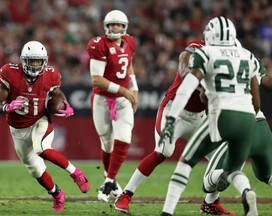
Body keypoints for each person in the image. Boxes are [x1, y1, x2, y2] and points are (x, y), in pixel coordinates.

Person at [160, 16, 259, 216]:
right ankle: (246, 190)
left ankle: (167, 213)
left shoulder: (205, 53)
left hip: (222, 115)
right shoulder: (247, 55)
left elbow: (186, 89)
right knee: (231, 168)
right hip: (248, 118)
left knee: (186, 162)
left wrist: (171, 119)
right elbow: (256, 102)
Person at [0, 41, 90, 212]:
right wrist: (8, 107)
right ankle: (57, 194)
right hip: (18, 128)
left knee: (41, 148)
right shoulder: (10, 73)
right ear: (23, 61)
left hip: (39, 120)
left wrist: (65, 104)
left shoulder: (51, 75)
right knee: (35, 169)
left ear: (44, 61)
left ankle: (76, 173)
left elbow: (57, 94)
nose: (35, 65)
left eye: (38, 61)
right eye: (31, 61)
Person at [114, 39, 208, 213]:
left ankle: (211, 203)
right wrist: (207, 82)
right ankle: (125, 194)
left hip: (199, 117)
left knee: (220, 159)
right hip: (175, 111)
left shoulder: (221, 62)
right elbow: (185, 66)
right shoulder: (194, 51)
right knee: (164, 150)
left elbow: (205, 98)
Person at [201, 57, 272, 215]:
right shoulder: (249, 58)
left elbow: (204, 97)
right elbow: (268, 83)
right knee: (267, 174)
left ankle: (245, 191)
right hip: (261, 126)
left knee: (208, 182)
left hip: (239, 128)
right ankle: (213, 200)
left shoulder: (214, 60)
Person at [86, 9, 139, 202]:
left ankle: (108, 181)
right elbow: (97, 80)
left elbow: (129, 64)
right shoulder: (98, 45)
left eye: (118, 24)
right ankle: (112, 180)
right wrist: (125, 91)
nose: (114, 28)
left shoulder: (130, 42)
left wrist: (135, 89)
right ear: (105, 27)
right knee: (107, 144)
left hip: (122, 101)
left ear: (124, 27)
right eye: (111, 24)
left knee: (124, 138)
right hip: (102, 100)